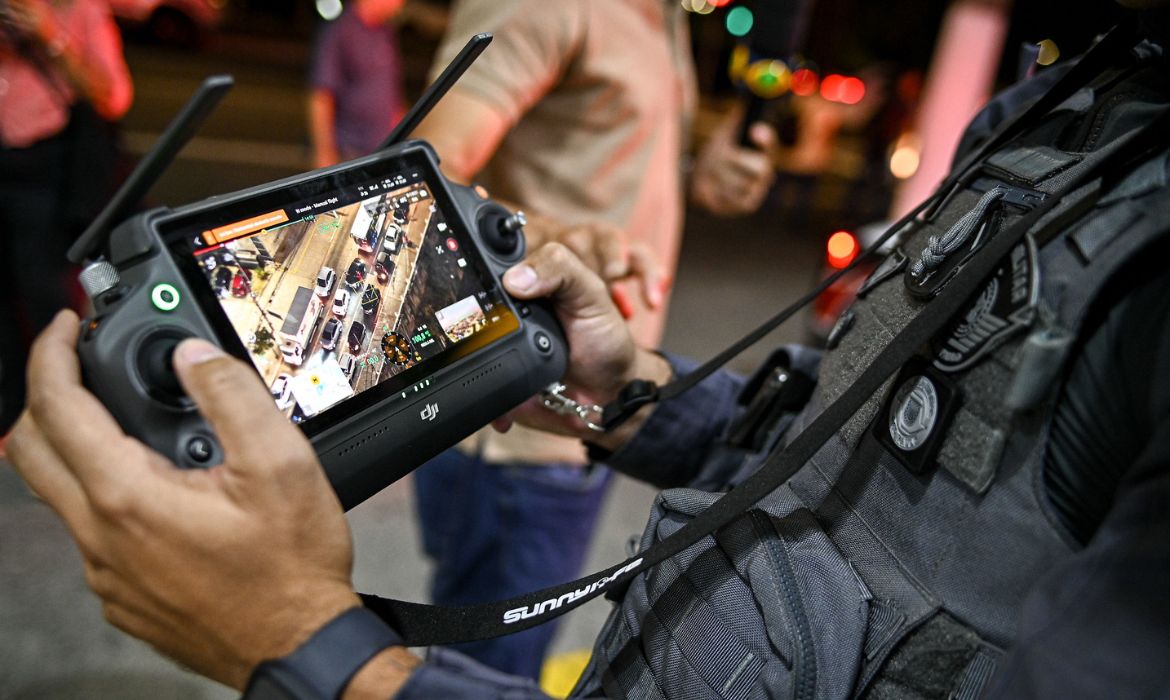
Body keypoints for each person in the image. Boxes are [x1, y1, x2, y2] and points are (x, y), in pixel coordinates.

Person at [7, 5, 1170, 699]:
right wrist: (628, 399)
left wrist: (307, 652)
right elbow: (868, 438)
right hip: (523, 408)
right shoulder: (1090, 107)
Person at [408, 0, 779, 677]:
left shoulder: (665, 14)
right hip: (512, 432)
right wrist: (548, 236)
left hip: (600, 410)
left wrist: (704, 171)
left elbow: (602, 165)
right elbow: (417, 183)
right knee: (484, 679)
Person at [0, 0, 132, 437]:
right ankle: (14, 412)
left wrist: (47, 34)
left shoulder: (79, 10)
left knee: (46, 299)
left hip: (46, 170)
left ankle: (61, 419)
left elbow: (112, 96)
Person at [308, 0, 406, 168]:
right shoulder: (340, 30)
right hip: (350, 150)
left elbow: (389, 90)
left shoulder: (385, 32)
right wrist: (324, 151)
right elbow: (322, 95)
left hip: (383, 148)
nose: (400, 5)